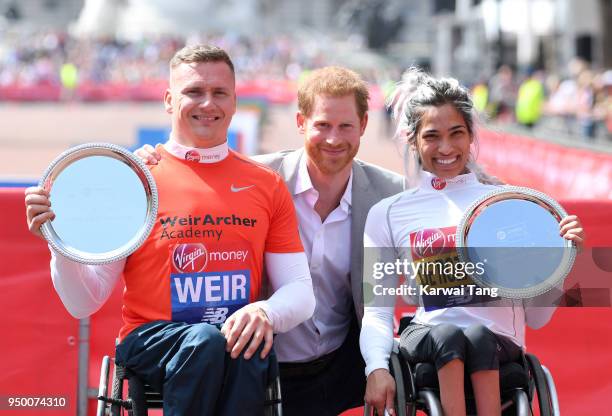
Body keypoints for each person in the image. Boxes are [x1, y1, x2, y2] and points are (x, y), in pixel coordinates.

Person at [24, 44, 316, 416]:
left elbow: (300, 293)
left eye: (219, 93)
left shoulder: (266, 184)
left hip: (231, 345)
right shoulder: (135, 179)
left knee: (241, 346)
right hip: (152, 342)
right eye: (194, 91)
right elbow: (84, 301)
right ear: (168, 100)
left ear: (235, 101)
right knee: (207, 340)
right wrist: (60, 244)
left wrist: (265, 313)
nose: (208, 103)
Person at [136, 66, 406, 415]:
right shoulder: (255, 179)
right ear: (301, 122)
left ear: (364, 126)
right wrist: (147, 163)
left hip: (344, 361)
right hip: (259, 361)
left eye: (346, 127)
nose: (334, 139)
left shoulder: (391, 192)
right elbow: (193, 172)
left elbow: (445, 196)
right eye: (322, 125)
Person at [359, 68, 585, 416]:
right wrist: (375, 367)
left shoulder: (510, 206)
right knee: (448, 334)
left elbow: (537, 320)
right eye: (432, 136)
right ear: (413, 139)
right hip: (429, 339)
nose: (445, 148)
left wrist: (560, 261)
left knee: (478, 336)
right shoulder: (387, 214)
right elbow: (376, 309)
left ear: (471, 136)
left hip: (498, 346)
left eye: (456, 133)